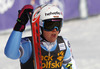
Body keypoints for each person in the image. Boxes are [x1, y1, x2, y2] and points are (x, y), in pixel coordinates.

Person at [4, 4, 77, 69]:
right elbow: (10, 54)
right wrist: (19, 25)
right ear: (41, 26)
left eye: (58, 25)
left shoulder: (63, 45)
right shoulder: (29, 45)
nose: (55, 30)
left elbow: (70, 67)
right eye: (50, 25)